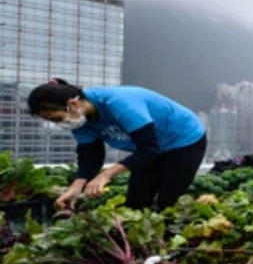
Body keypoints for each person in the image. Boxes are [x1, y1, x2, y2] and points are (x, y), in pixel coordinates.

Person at [27, 80, 207, 211]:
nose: (60, 124)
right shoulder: (79, 121)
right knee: (136, 202)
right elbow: (90, 157)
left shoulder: (120, 104)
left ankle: (168, 253)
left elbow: (149, 148)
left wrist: (106, 175)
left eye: (57, 119)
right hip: (147, 147)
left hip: (183, 140)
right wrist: (75, 189)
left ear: (73, 104)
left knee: (169, 201)